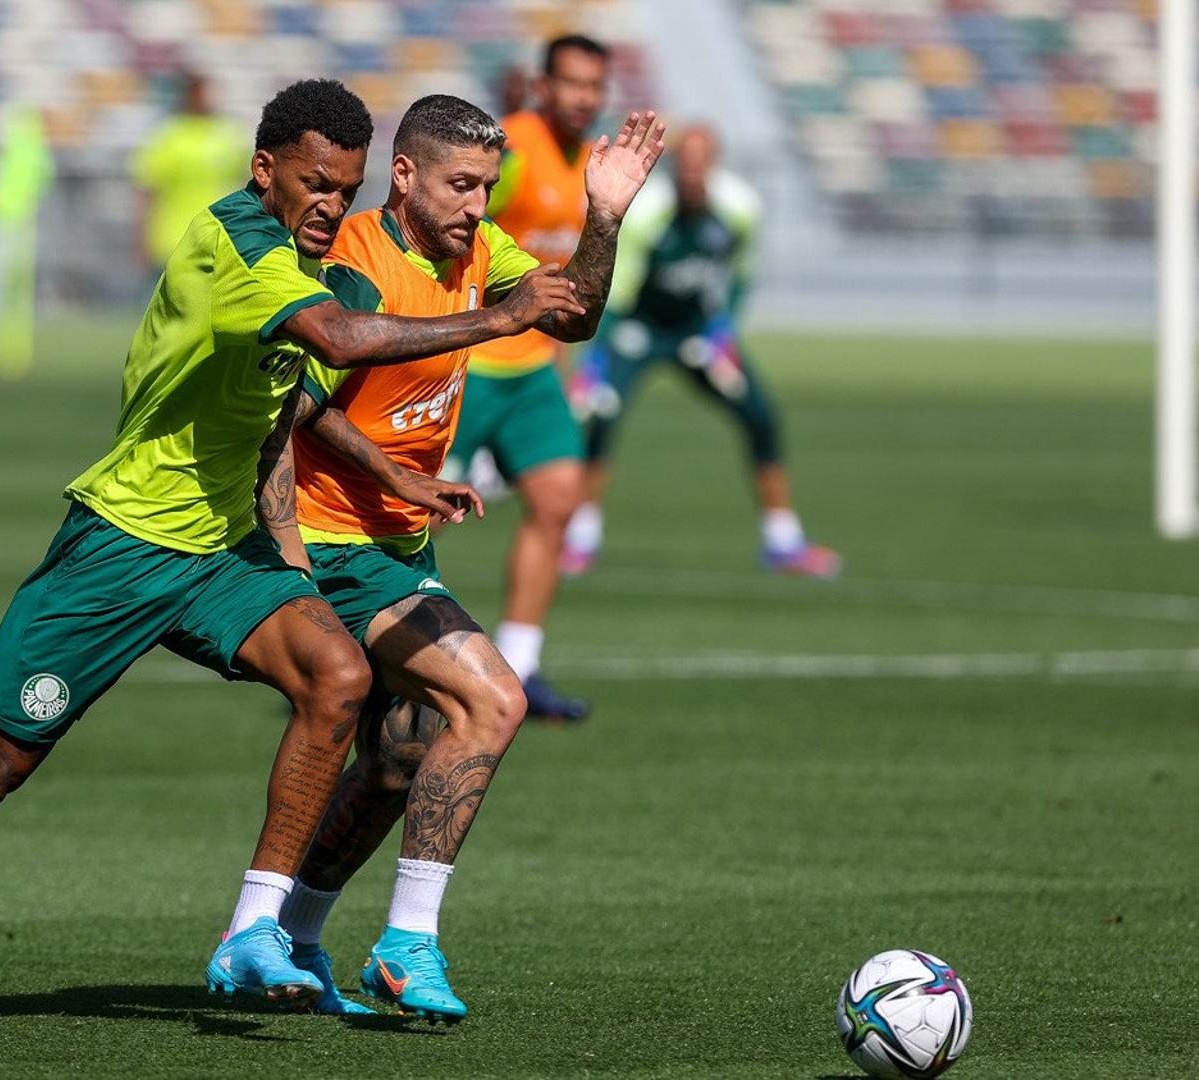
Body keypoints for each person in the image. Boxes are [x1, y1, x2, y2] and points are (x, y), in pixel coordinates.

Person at [0, 78, 589, 1027]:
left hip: (221, 550)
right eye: (312, 184)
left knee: (338, 678)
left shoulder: (318, 260)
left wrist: (391, 477)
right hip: (123, 544)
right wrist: (499, 321)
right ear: (264, 171)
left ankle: (256, 931)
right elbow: (340, 345)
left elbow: (296, 405)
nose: (327, 206)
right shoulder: (237, 247)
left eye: (342, 190)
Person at [269, 96, 663, 1022]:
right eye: (461, 186)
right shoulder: (354, 262)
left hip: (399, 547)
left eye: (488, 187)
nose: (478, 206)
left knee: (399, 759)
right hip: (331, 543)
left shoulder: (482, 253)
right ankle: (407, 946)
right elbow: (295, 404)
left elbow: (573, 317)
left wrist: (603, 218)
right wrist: (396, 479)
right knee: (493, 698)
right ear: (403, 175)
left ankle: (291, 936)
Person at [564, 125, 840, 577]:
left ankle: (782, 541)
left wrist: (722, 330)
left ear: (713, 162)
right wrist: (596, 357)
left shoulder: (739, 207)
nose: (692, 170)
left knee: (760, 415)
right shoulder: (648, 211)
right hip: (638, 327)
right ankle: (580, 538)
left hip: (695, 329)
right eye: (685, 161)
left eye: (701, 160)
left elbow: (740, 275)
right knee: (602, 418)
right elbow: (620, 286)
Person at [441, 34, 617, 722]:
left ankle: (520, 664)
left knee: (557, 501)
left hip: (534, 368)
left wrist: (565, 361)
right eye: (572, 83)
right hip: (472, 362)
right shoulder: (509, 151)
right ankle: (359, 646)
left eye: (595, 86)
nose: (585, 97)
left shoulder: (595, 164)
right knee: (419, 515)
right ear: (542, 86)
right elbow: (453, 234)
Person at [131, 71, 250, 272]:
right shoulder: (169, 135)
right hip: (174, 239)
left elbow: (250, 182)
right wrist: (142, 236)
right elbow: (148, 190)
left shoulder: (229, 134)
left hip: (220, 238)